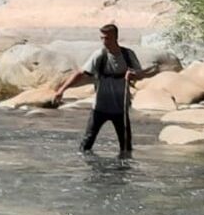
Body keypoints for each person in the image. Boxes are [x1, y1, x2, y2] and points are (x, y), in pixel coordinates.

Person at [52, 24, 144, 157]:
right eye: (102, 38)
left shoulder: (127, 55)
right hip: (100, 108)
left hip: (120, 109)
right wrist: (61, 90)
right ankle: (88, 170)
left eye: (107, 38)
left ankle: (124, 172)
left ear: (115, 37)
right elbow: (80, 73)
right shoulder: (99, 55)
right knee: (86, 144)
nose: (104, 41)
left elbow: (140, 74)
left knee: (126, 146)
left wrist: (133, 75)